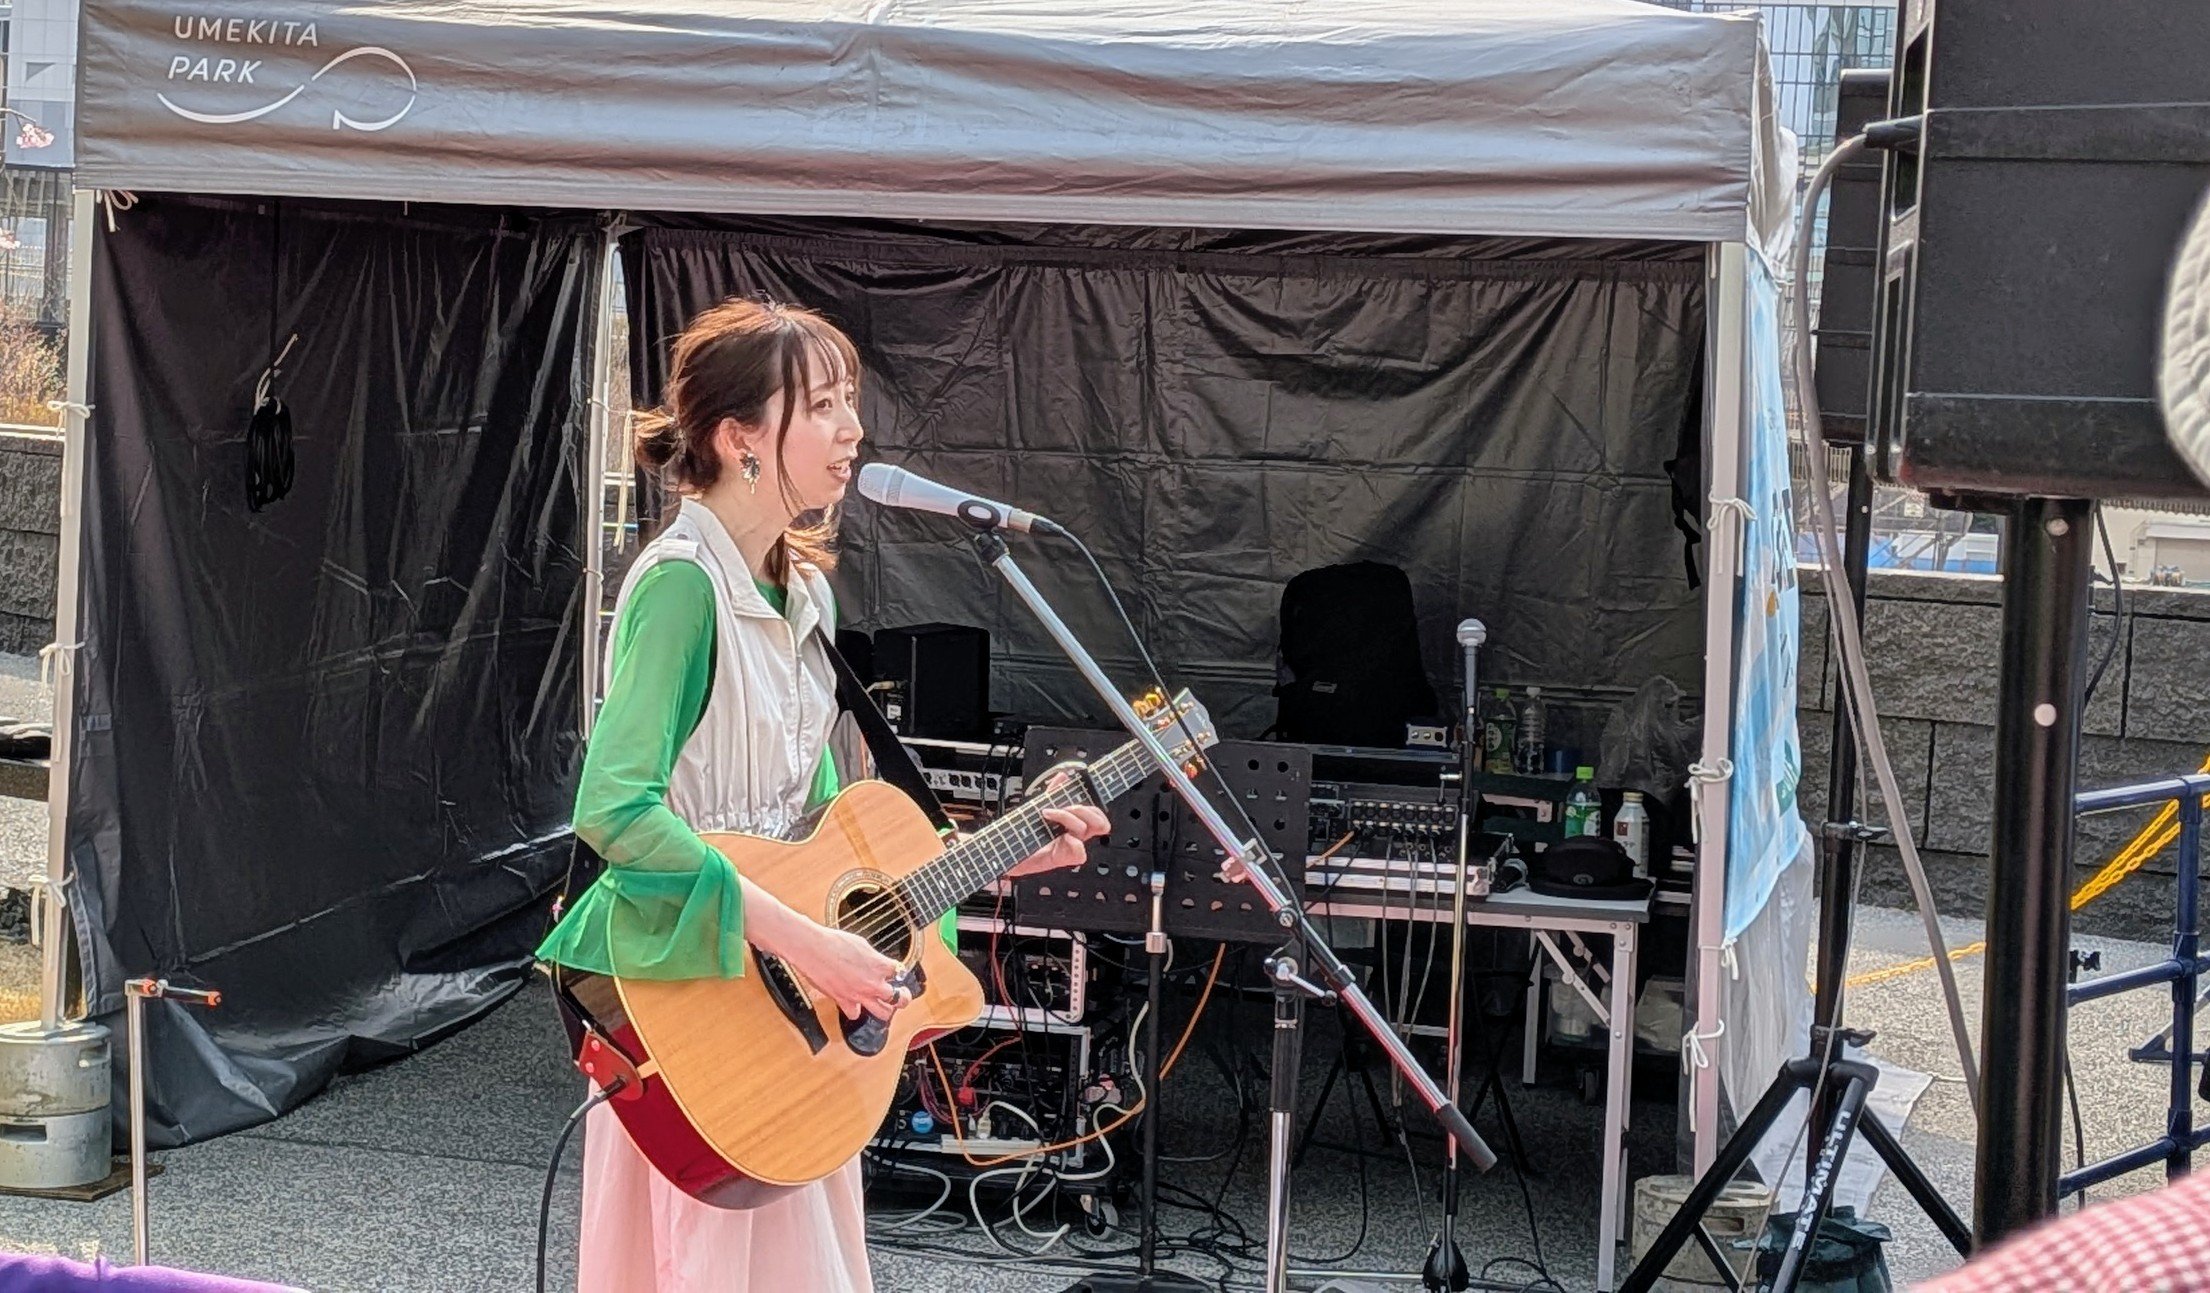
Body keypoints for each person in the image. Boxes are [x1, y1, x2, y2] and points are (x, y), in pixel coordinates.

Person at [535, 298, 1110, 1292]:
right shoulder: (684, 587)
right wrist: (808, 943)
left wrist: (999, 856)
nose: (853, 429)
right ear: (739, 438)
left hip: (790, 1016)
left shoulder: (804, 593)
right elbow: (615, 808)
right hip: (698, 1001)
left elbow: (840, 846)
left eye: (849, 402)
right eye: (824, 405)